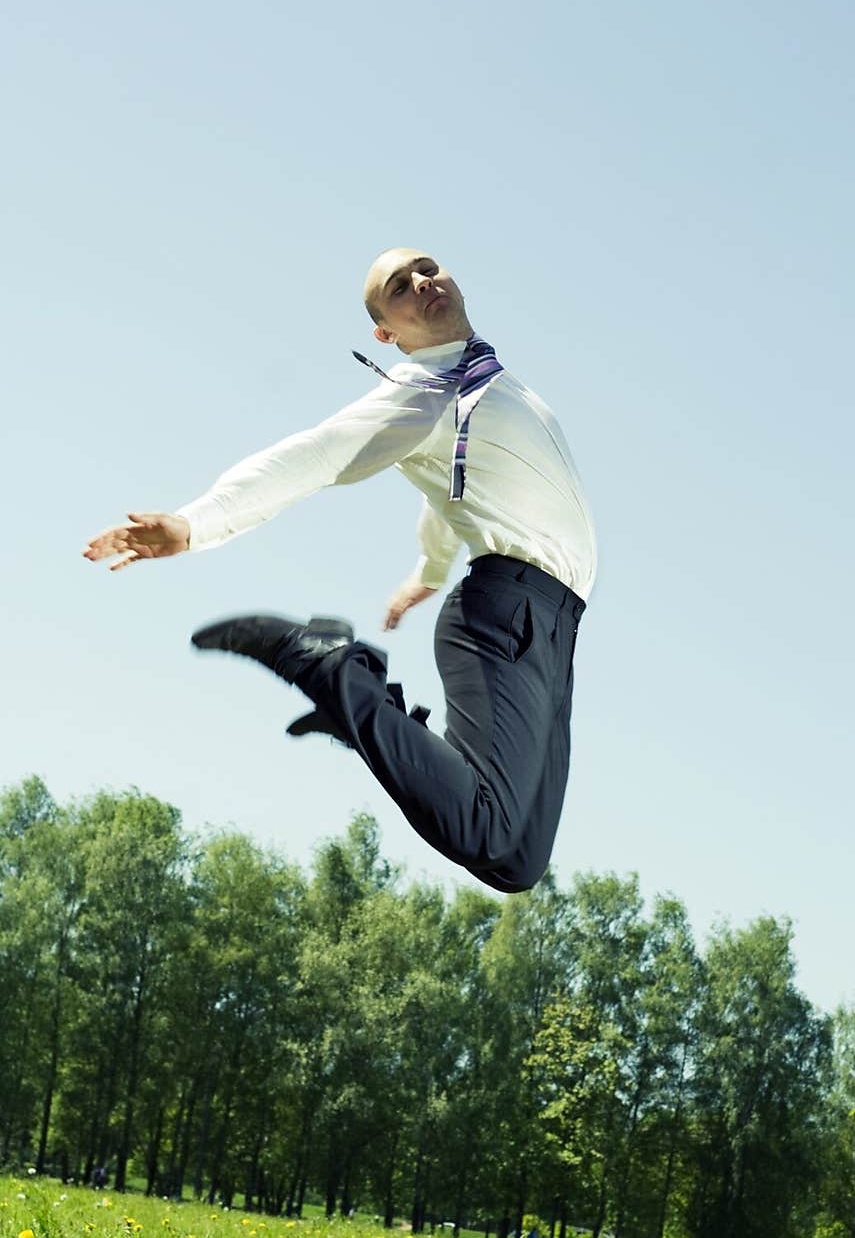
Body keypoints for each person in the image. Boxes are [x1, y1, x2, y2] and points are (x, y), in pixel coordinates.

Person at [83, 248, 597, 894]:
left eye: (427, 268)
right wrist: (197, 523)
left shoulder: (479, 384)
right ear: (388, 332)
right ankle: (323, 662)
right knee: (483, 830)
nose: (422, 282)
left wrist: (428, 571)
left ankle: (360, 718)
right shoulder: (422, 390)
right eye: (400, 287)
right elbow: (315, 455)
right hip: (506, 614)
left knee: (516, 863)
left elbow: (455, 490)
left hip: (555, 625)